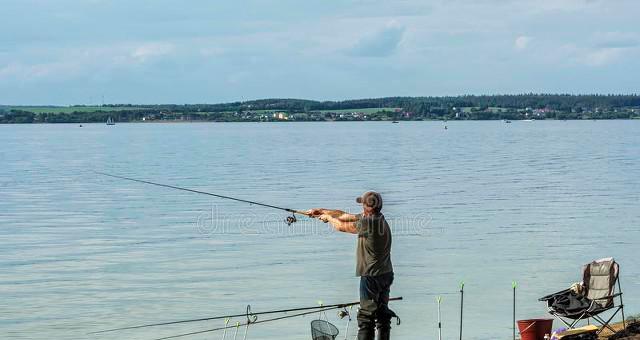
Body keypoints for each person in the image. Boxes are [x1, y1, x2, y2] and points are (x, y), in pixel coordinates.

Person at [308, 191, 395, 340]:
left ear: (366, 207)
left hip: (371, 277)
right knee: (382, 314)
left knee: (366, 318)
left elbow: (341, 226)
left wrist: (328, 218)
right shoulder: (377, 218)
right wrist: (321, 211)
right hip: (385, 274)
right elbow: (344, 215)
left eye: (362, 204)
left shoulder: (368, 223)